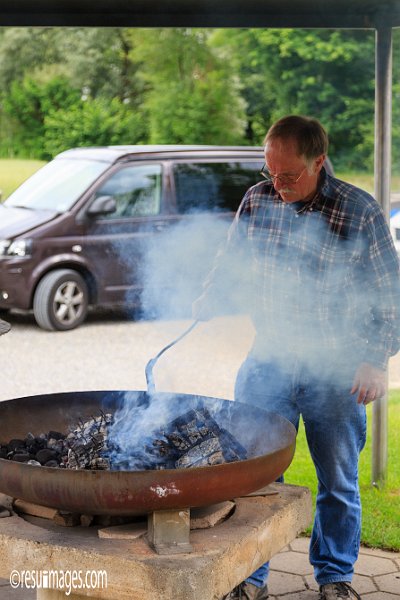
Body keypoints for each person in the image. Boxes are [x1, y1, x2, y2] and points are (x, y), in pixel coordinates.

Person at [193, 115, 400, 600]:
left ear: (319, 162)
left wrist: (375, 359)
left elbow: (390, 293)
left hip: (337, 371)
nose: (278, 186)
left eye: (288, 176)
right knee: (255, 477)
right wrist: (209, 296)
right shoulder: (257, 199)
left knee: (338, 483)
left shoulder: (359, 211)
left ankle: (335, 578)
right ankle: (250, 577)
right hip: (270, 361)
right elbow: (231, 262)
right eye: (271, 174)